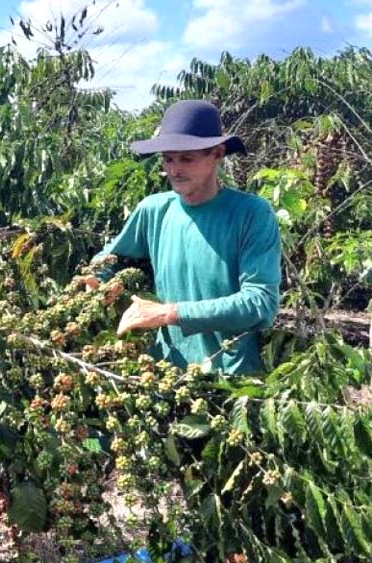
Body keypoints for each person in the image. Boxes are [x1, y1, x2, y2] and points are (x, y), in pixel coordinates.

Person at [83, 99, 282, 374]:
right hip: (166, 372)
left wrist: (168, 313)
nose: (174, 170)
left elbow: (261, 303)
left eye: (187, 159)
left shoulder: (251, 213)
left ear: (217, 154)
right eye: (168, 158)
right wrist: (97, 279)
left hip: (231, 377)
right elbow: (111, 258)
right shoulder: (154, 210)